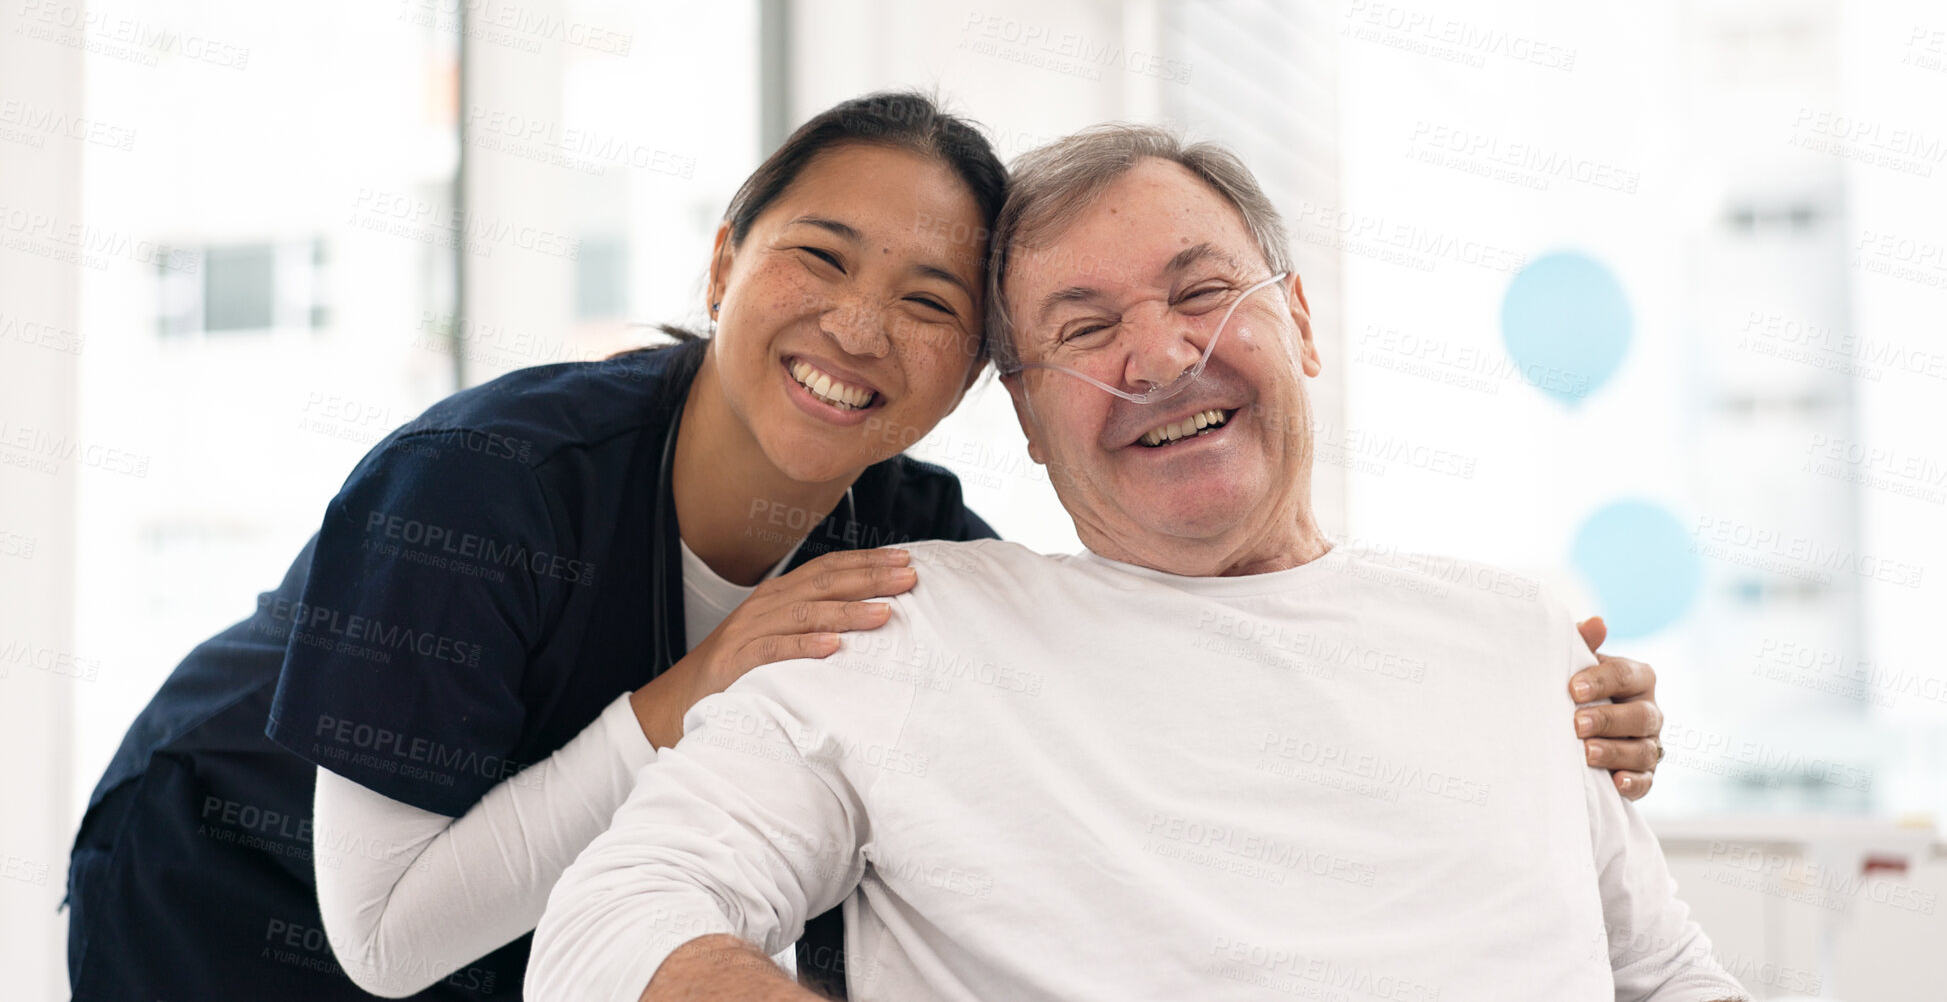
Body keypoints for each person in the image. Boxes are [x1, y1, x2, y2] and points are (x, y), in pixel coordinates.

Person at [66, 94, 1661, 1000]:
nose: (854, 325)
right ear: (722, 256)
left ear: (983, 383)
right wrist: (695, 687)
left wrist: (1541, 711)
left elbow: (1075, 689)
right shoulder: (482, 482)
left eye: (927, 301)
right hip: (236, 886)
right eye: (819, 256)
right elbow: (391, 932)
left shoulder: (912, 551)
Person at [525, 125, 1745, 1001]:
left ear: (1302, 321)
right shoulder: (907, 628)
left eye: (1204, 291)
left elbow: (1670, 975)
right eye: (1086, 328)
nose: (1160, 358)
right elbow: (610, 926)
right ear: (1027, 416)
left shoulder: (1521, 636)